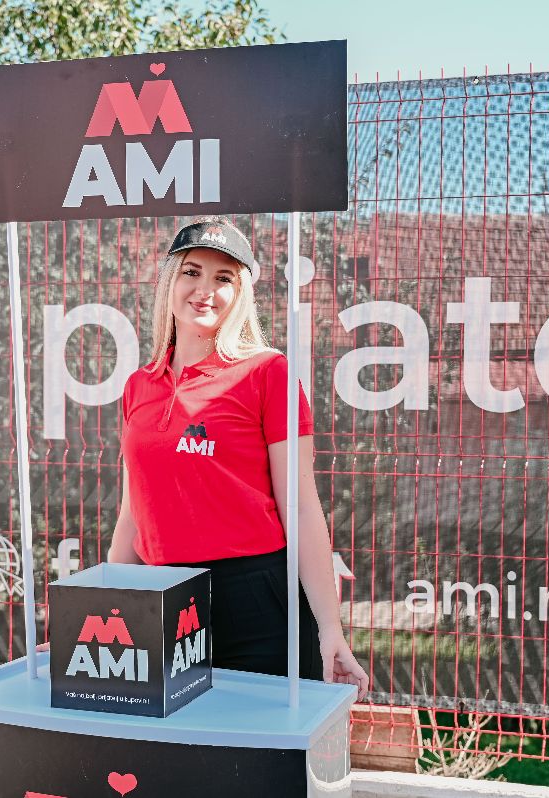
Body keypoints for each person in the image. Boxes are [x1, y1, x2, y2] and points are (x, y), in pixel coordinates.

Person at [108, 216, 369, 697]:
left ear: (240, 293)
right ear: (170, 282)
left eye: (223, 278)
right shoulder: (138, 386)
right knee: (171, 743)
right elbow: (131, 518)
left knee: (263, 741)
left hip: (255, 601)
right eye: (192, 272)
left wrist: (330, 629)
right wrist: (102, 617)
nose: (205, 290)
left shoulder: (268, 372)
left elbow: (301, 507)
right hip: (164, 602)